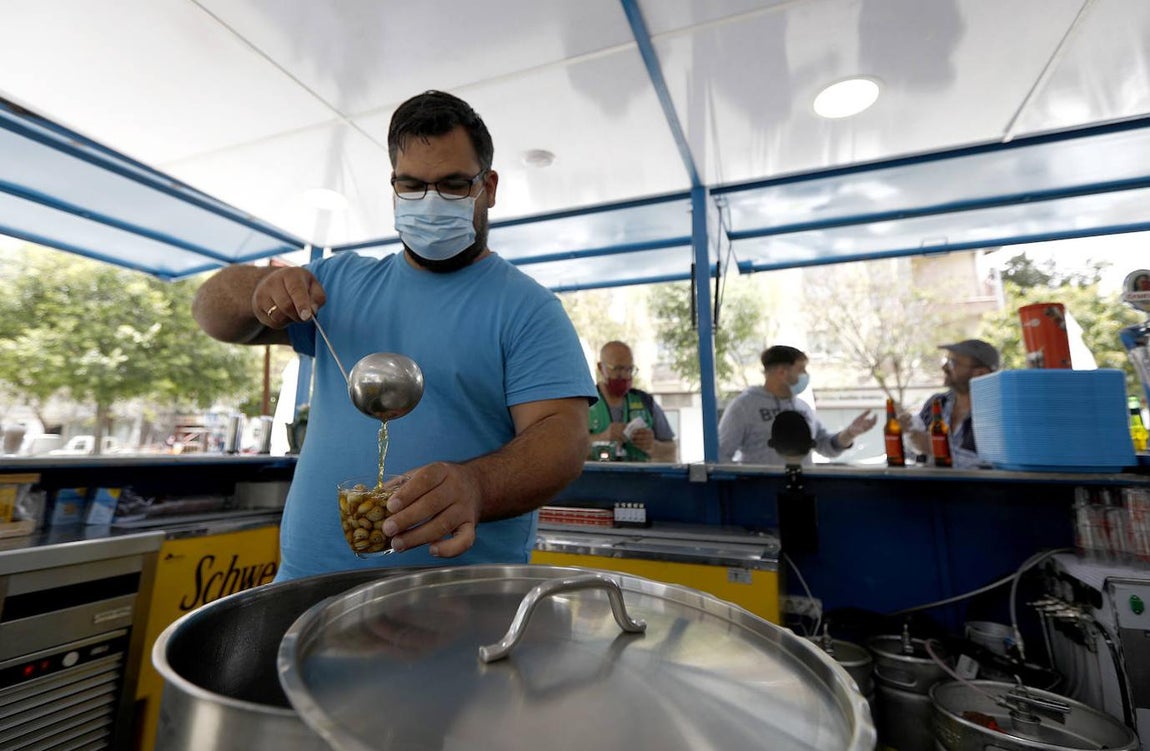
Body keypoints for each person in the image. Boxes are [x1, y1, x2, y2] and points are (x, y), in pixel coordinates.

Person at [192, 90, 597, 580]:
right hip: (305, 586)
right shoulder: (337, 284)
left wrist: (477, 485)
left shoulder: (527, 308)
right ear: (393, 188)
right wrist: (259, 290)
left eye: (453, 185)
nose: (430, 201)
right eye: (412, 185)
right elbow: (210, 312)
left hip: (456, 600)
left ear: (488, 187)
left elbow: (563, 438)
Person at [718, 345, 876, 465]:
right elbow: (722, 454)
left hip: (802, 491)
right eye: (801, 369)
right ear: (782, 372)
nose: (805, 375)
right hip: (761, 493)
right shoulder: (744, 406)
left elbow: (826, 446)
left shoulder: (802, 407)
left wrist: (849, 433)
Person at [902, 339, 999, 469]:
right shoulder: (936, 403)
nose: (944, 367)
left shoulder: (998, 412)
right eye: (946, 361)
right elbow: (911, 455)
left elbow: (993, 465)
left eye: (953, 363)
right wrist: (907, 434)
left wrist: (935, 449)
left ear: (980, 373)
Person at [588, 341, 677, 462]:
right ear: (600, 368)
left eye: (629, 369)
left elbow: (672, 451)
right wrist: (601, 438)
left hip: (639, 473)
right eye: (618, 369)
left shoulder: (646, 402)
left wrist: (653, 446)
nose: (624, 375)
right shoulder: (585, 403)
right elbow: (567, 448)